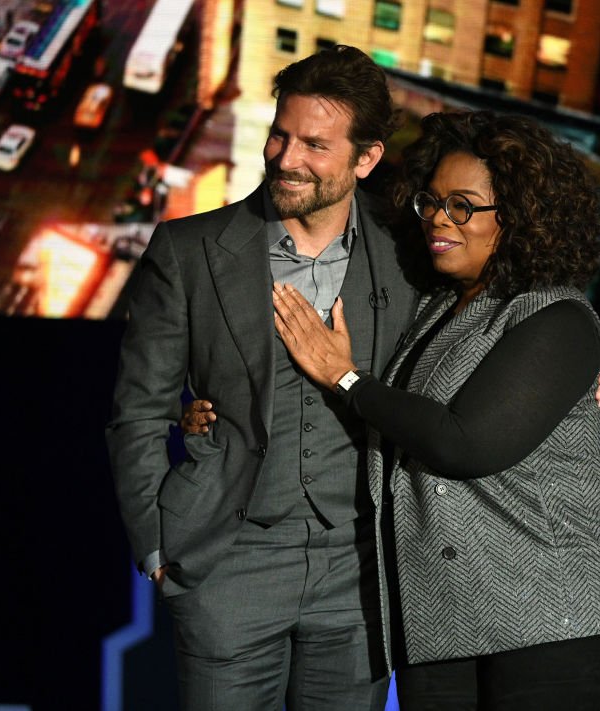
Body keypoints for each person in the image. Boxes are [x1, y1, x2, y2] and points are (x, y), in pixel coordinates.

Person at [264, 111, 600, 709]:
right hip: (441, 616)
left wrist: (343, 375)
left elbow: (465, 444)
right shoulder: (434, 309)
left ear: (520, 218)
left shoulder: (557, 316)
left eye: (464, 206)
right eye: (432, 202)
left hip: (554, 612)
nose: (440, 221)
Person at [105, 45, 419, 710]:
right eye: (281, 133)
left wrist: (580, 374)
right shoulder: (188, 250)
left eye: (314, 143)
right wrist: (158, 546)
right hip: (229, 564)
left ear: (366, 159)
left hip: (358, 571)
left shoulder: (407, 258)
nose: (285, 157)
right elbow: (139, 410)